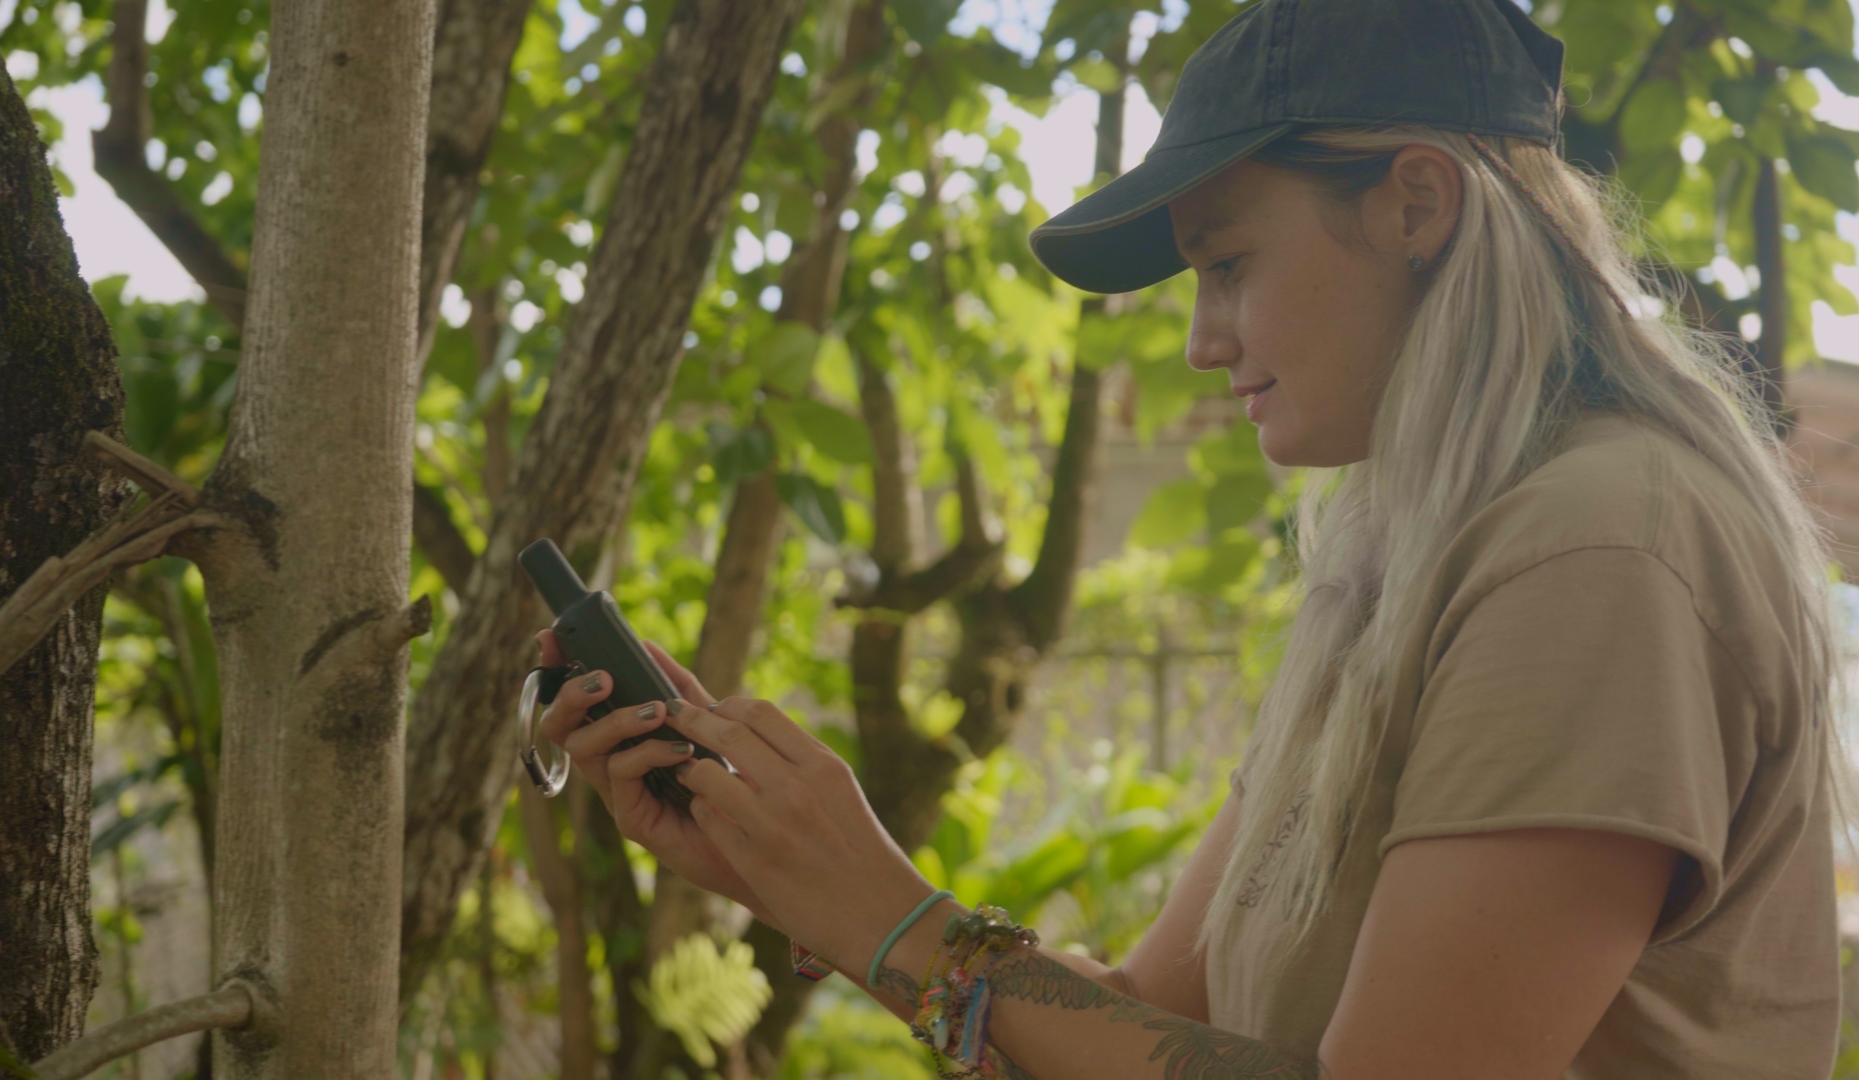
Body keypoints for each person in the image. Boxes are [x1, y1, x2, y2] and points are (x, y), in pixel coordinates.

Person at [537, 0, 1846, 1075]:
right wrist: (794, 868)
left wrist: (897, 919)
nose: (1201, 338)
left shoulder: (1600, 546)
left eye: (1229, 263)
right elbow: (1149, 1018)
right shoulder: (1417, 562)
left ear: (1417, 205)